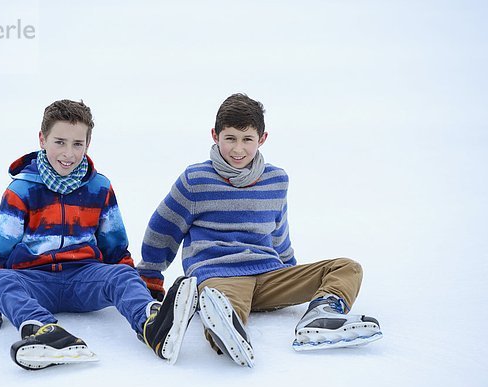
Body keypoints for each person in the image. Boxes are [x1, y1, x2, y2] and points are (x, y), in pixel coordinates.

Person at [136, 93, 382, 368]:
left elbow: (278, 232)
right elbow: (163, 227)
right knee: (222, 305)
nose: (238, 149)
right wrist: (150, 275)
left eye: (247, 139)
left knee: (348, 268)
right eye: (230, 138)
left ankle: (321, 314)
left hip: (268, 274)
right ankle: (226, 333)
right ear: (215, 135)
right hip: (218, 273)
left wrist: (291, 271)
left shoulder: (276, 180)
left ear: (262, 139)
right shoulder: (196, 180)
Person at [0, 99, 198, 370]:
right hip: (36, 282)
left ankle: (153, 325)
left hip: (84, 278)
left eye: (77, 144)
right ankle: (45, 333)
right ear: (42, 139)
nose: (68, 153)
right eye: (59, 142)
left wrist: (136, 290)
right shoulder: (21, 192)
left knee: (122, 274)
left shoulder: (99, 188)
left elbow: (116, 250)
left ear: (87, 144)